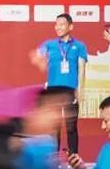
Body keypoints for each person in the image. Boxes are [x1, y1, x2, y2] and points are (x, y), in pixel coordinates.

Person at [29, 13, 88, 156]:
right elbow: (35, 56)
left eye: (62, 24)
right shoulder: (49, 44)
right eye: (56, 24)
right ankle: (52, 158)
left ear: (70, 26)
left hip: (70, 90)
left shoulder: (79, 46)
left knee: (71, 126)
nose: (58, 27)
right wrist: (41, 63)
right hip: (53, 90)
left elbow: (82, 70)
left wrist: (80, 90)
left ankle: (74, 157)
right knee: (54, 127)